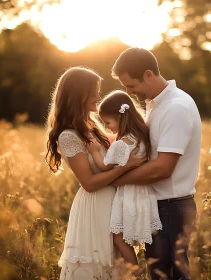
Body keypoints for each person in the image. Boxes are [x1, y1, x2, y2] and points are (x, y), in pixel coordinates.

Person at [111, 48, 201, 280]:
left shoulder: (176, 108)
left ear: (149, 74)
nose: (130, 93)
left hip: (171, 207)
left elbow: (163, 168)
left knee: (169, 275)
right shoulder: (155, 105)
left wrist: (115, 179)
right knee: (161, 274)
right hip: (159, 205)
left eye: (132, 86)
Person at [45, 66, 142, 280]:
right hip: (95, 206)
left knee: (118, 263)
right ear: (78, 94)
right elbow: (88, 182)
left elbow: (121, 144)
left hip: (112, 203)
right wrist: (125, 168)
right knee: (97, 265)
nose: (98, 96)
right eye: (94, 92)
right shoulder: (68, 136)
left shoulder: (92, 125)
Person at [87, 90, 162, 277]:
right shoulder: (142, 136)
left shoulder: (121, 144)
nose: (107, 127)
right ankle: (146, 271)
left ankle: (137, 274)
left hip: (127, 195)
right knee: (139, 238)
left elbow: (105, 167)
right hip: (144, 194)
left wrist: (95, 150)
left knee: (119, 238)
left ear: (120, 118)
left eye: (108, 122)